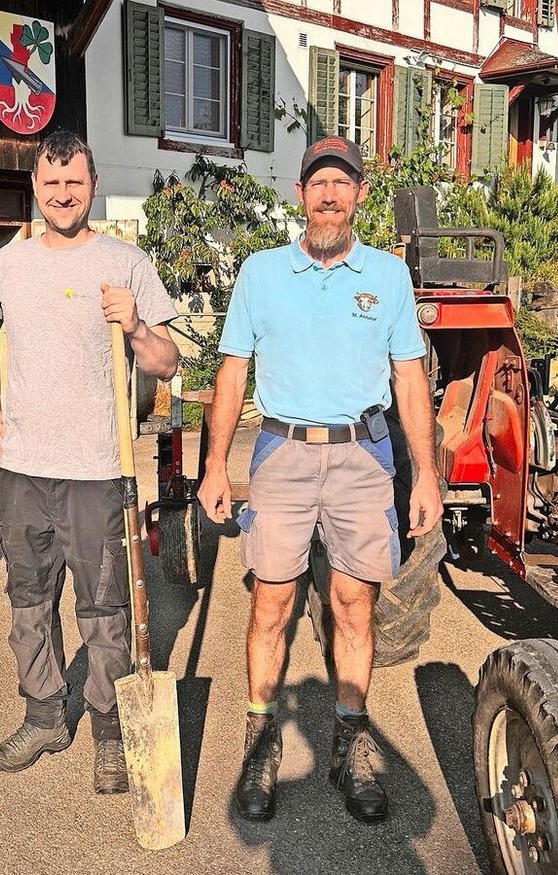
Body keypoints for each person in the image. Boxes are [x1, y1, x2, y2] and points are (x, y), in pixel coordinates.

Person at [197, 136, 442, 824]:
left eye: (342, 183)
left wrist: (426, 473)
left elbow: (410, 377)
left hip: (363, 458)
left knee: (354, 605)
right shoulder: (262, 273)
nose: (329, 195)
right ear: (301, 194)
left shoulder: (388, 276)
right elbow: (232, 371)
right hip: (283, 453)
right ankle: (260, 742)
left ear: (359, 194)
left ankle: (349, 744)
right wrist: (215, 464)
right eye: (318, 184)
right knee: (271, 604)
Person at [0, 130, 180, 794]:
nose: (63, 194)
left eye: (75, 182)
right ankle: (43, 717)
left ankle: (110, 731)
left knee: (104, 608)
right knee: (29, 599)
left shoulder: (126, 263)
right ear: (36, 186)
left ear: (93, 186)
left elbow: (168, 362)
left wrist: (137, 327)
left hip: (98, 468)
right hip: (24, 468)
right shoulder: (10, 263)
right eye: (52, 182)